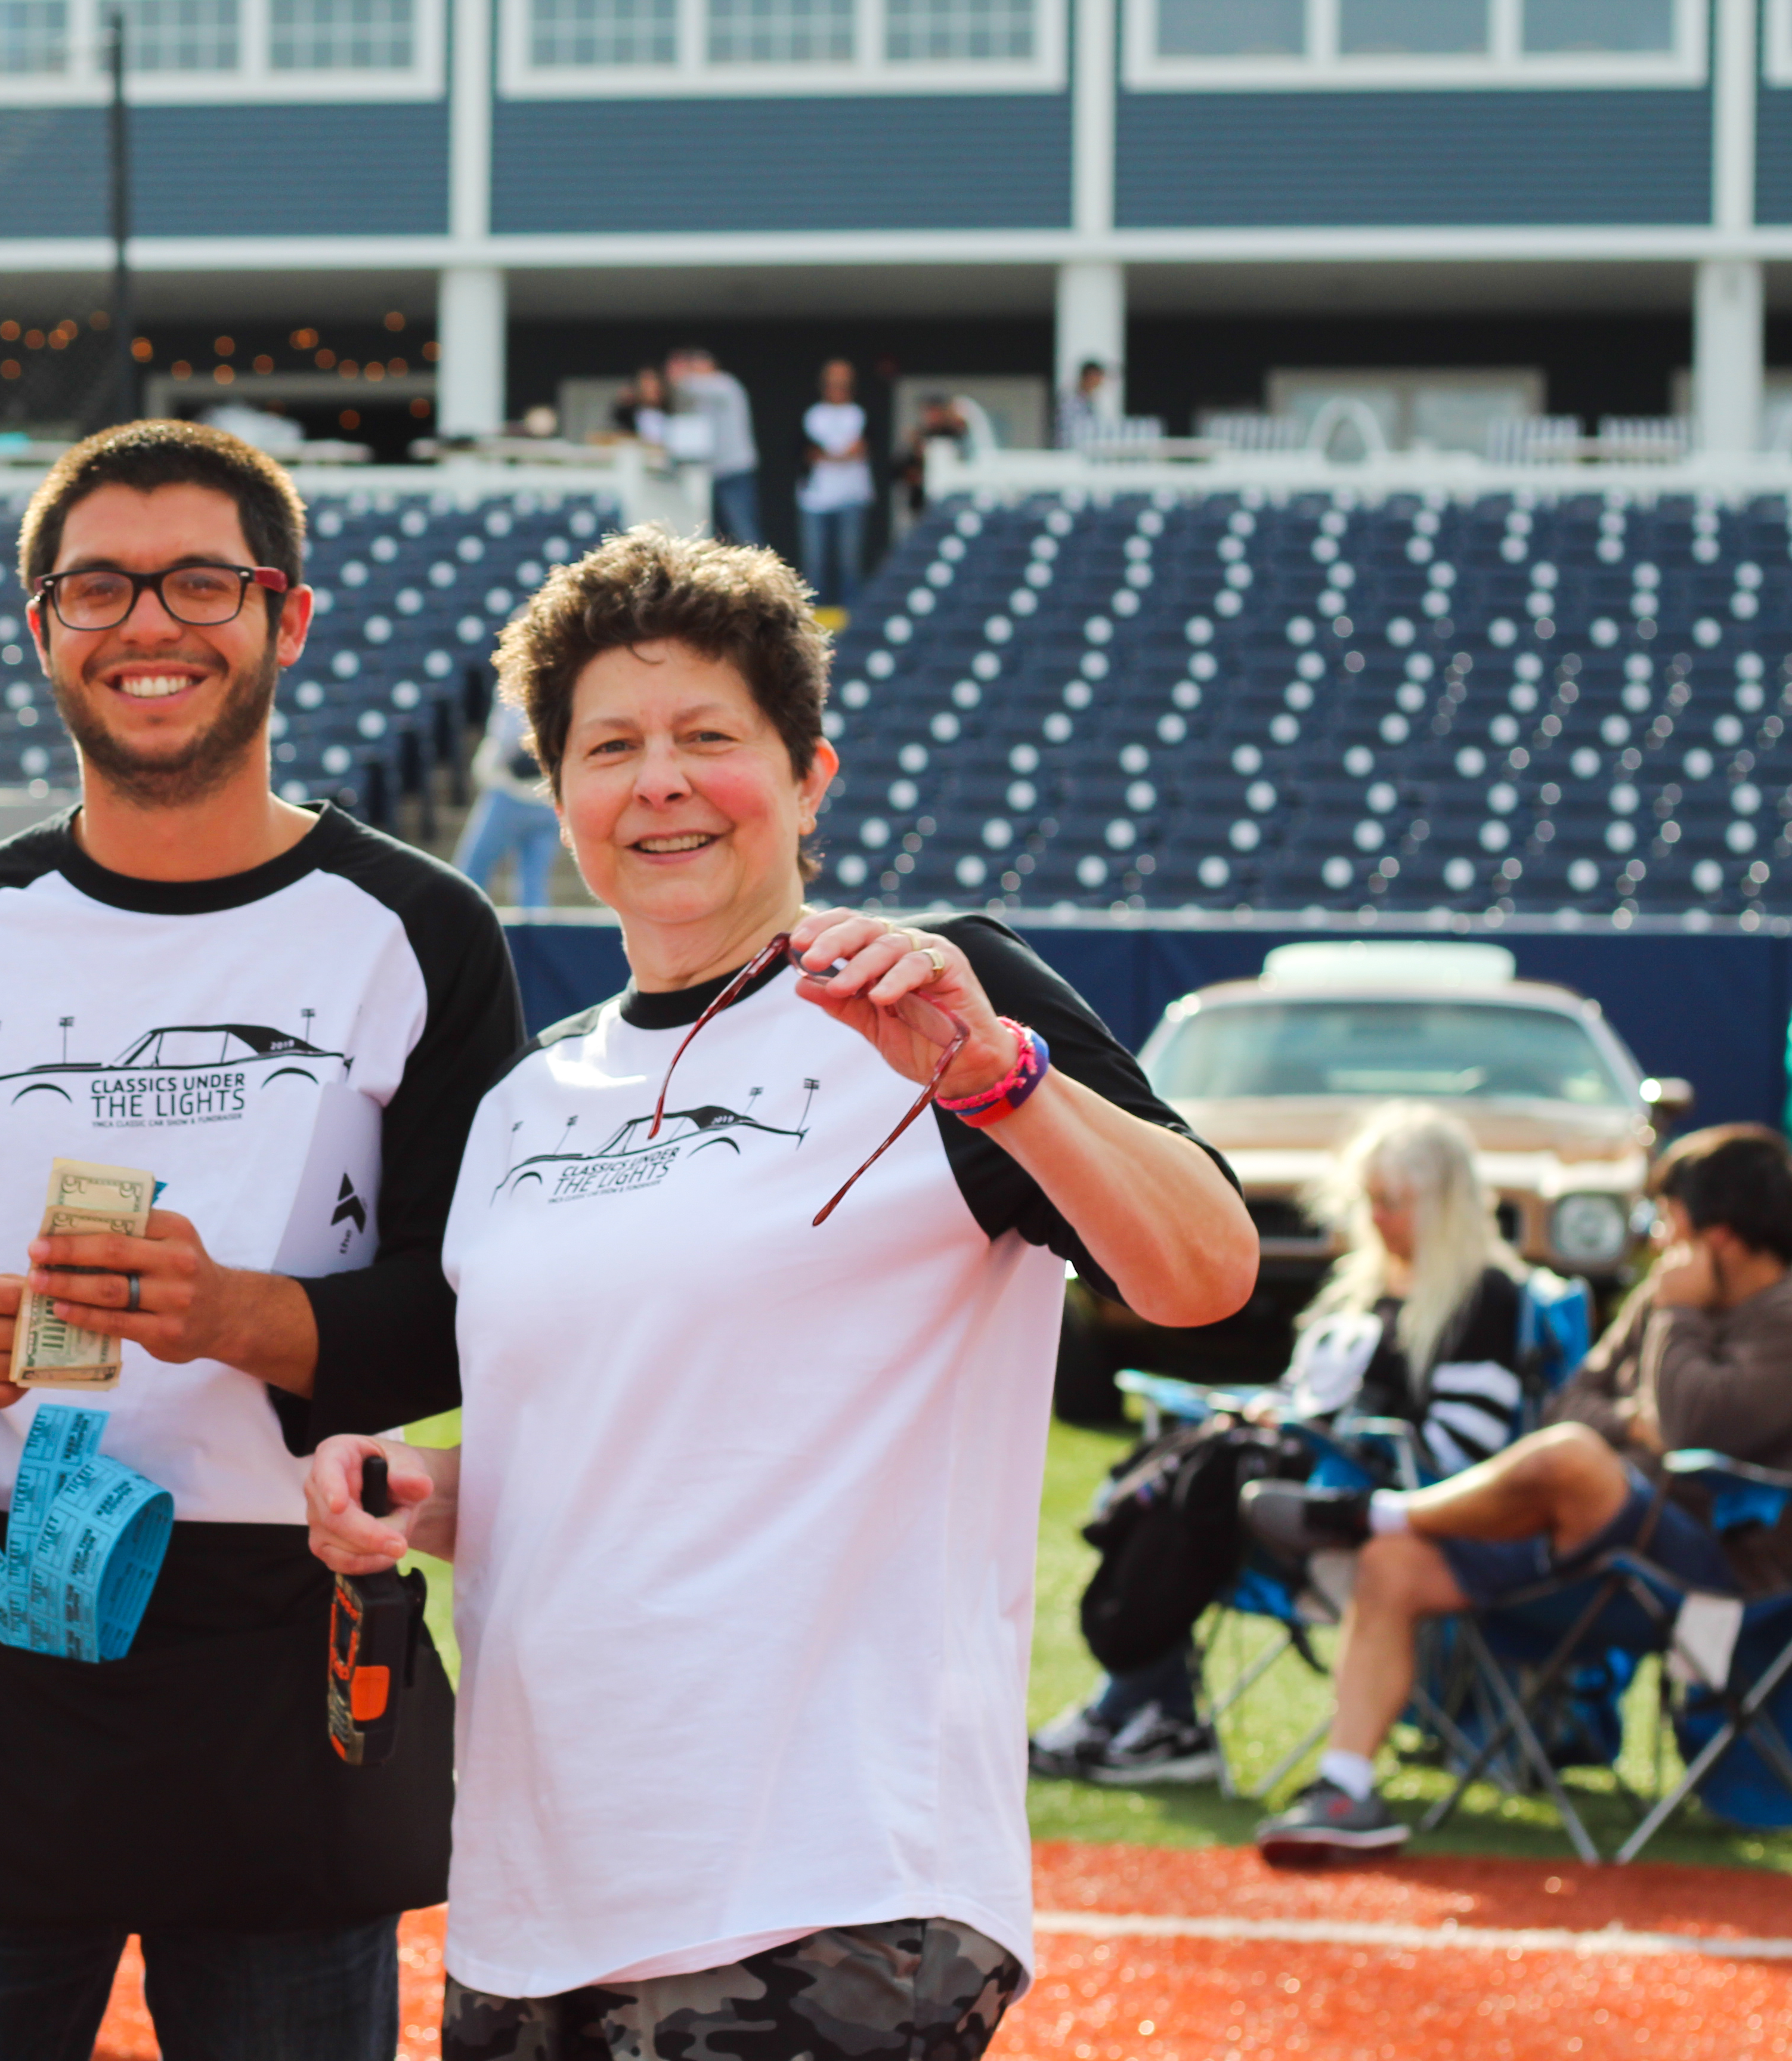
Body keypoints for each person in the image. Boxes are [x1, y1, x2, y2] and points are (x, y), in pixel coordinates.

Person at [303, 525, 1256, 2058]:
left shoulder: (935, 992)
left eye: (706, 738)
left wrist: (995, 1079)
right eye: (608, 745)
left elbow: (1205, 1271)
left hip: (828, 1882)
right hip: (535, 1894)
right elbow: (619, 1460)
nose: (657, 780)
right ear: (559, 795)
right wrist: (425, 1492)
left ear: (809, 774)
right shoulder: (523, 1105)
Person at [0, 418, 526, 2060]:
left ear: (285, 616)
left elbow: (472, 1312)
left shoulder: (420, 930)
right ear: (41, 627)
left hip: (284, 1625)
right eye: (97, 586)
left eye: (200, 582)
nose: (149, 624)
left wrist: (246, 1319)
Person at [1244, 1125, 1792, 1859]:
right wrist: (1639, 1419)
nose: (1659, 1242)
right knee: (1392, 1561)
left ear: (1718, 1237)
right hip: (1584, 1551)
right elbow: (1575, 1401)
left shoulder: (1760, 1317)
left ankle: (1374, 1509)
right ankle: (1345, 1792)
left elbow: (1695, 1427)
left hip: (1710, 1576)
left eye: (1670, 1225)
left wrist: (1678, 1317)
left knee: (1573, 1461)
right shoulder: (1661, 1302)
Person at [1033, 1103, 1535, 1787]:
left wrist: (1321, 1434)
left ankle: (1142, 1711)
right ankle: (1147, 1708)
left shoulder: (1485, 1297)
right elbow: (1306, 1392)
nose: (1377, 1218)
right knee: (1188, 1467)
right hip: (1297, 1483)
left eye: (1395, 1202)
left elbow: (1459, 1450)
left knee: (1206, 1482)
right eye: (1370, 1201)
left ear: (1444, 1203)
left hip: (1375, 1506)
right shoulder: (1357, 1291)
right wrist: (1279, 1414)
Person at [452, 696, 561, 914]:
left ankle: (455, 938)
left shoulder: (519, 687)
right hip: (549, 798)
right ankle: (534, 947)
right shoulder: (566, 684)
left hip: (511, 795)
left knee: (468, 876)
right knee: (533, 889)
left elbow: (507, 739)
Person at [796, 357, 872, 610]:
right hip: (816, 498)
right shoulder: (811, 414)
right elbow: (804, 451)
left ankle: (852, 615)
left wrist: (834, 454)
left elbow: (864, 448)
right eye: (832, 384)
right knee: (815, 561)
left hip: (852, 496)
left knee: (849, 561)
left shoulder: (861, 414)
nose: (837, 389)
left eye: (843, 384)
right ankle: (812, 615)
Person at [667, 346, 760, 548]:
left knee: (744, 531)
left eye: (697, 365)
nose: (694, 371)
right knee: (716, 535)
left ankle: (764, 575)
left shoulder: (725, 385)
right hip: (712, 475)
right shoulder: (700, 397)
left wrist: (679, 373)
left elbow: (688, 385)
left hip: (734, 472)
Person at [1057, 358, 1112, 451]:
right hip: (1069, 454)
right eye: (1097, 377)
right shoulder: (1071, 402)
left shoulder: (1089, 402)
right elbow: (1067, 433)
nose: (1100, 381)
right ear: (1088, 377)